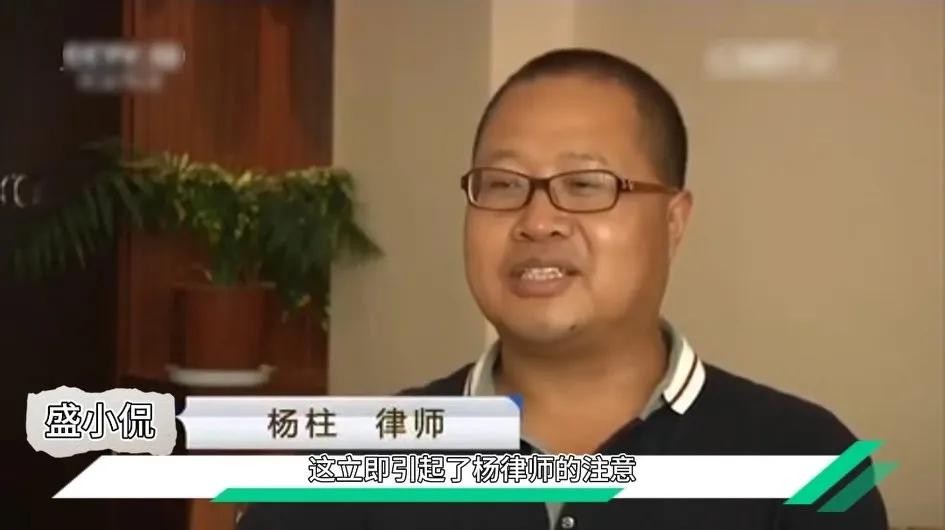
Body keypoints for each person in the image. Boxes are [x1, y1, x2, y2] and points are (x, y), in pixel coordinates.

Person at [239, 48, 888, 530]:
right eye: (502, 185)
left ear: (673, 222)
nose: (537, 221)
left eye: (584, 186)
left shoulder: (808, 462)